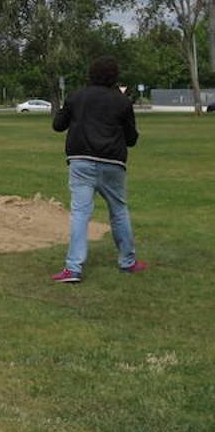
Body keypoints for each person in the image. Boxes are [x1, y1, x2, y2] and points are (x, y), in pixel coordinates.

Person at [50, 56, 146, 283]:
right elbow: (131, 139)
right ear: (115, 77)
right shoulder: (122, 102)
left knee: (80, 214)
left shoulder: (76, 97)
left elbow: (57, 125)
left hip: (81, 161)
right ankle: (128, 262)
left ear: (90, 74)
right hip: (113, 163)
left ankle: (73, 268)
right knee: (119, 211)